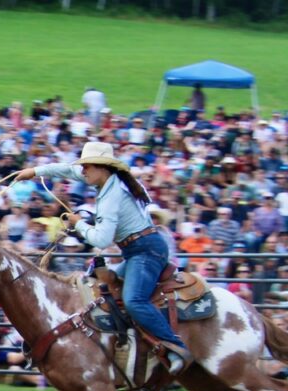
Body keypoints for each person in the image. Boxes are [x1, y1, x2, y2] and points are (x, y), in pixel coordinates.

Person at [16, 141, 191, 374]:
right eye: (84, 166)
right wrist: (35, 172)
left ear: (102, 167)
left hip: (145, 251)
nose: (83, 170)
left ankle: (175, 348)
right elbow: (68, 170)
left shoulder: (111, 196)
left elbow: (101, 239)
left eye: (87, 166)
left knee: (134, 300)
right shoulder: (110, 182)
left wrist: (79, 224)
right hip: (138, 250)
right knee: (96, 286)